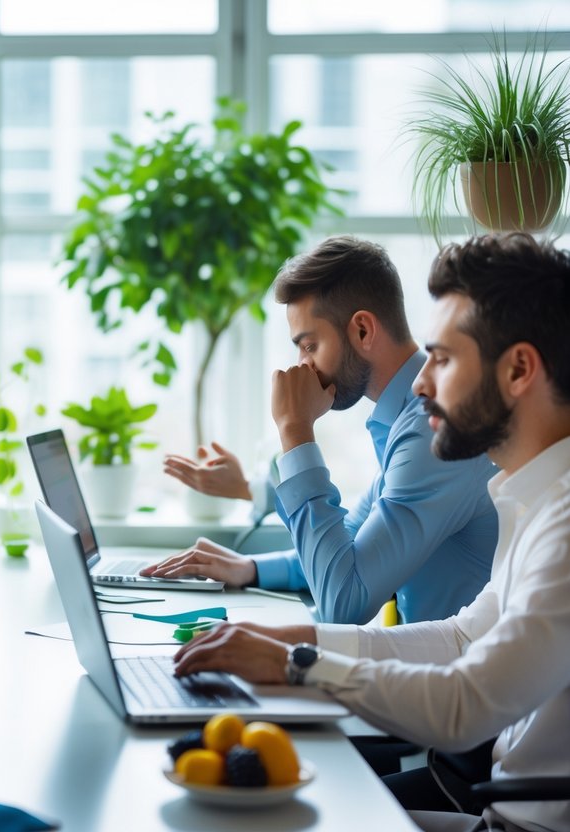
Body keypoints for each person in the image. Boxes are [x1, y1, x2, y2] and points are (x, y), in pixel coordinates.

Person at [174, 233, 570, 832]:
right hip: (491, 800)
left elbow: (464, 701)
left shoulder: (562, 519)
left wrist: (298, 661)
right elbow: (462, 639)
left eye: (444, 358)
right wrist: (288, 639)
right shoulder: (528, 498)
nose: (420, 382)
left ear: (517, 369)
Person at [142, 236, 498, 626]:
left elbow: (344, 601)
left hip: (450, 677)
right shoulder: (403, 420)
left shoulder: (430, 429)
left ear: (363, 330)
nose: (301, 366)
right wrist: (251, 569)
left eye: (309, 346)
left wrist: (294, 431)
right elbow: (347, 547)